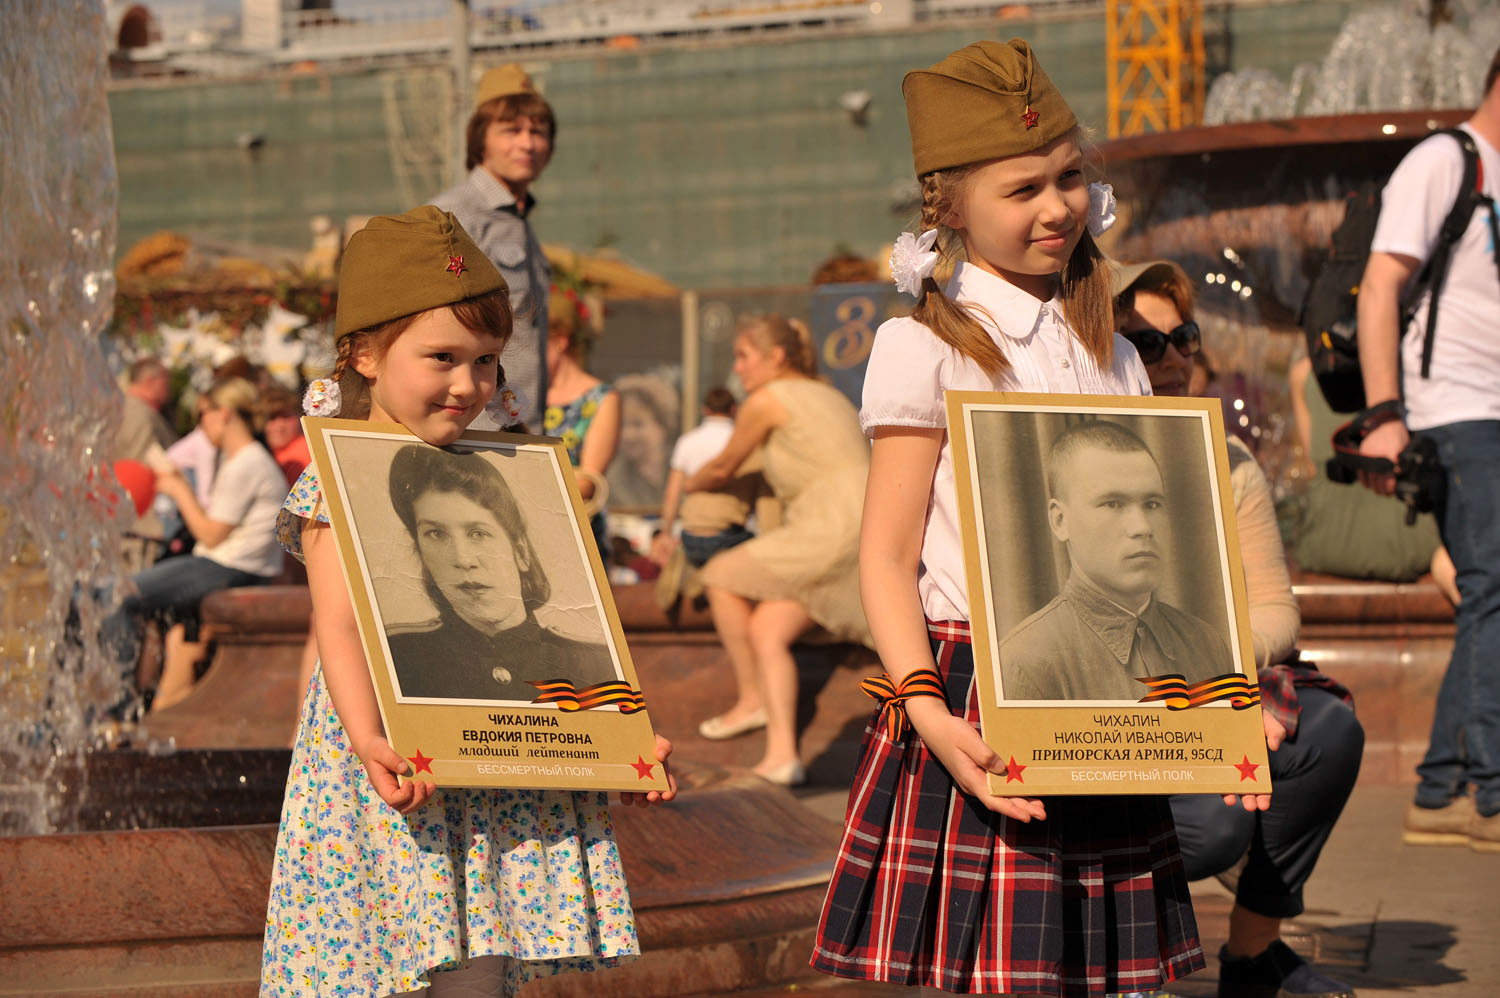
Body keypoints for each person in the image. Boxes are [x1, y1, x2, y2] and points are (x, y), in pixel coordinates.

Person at [811, 40, 1279, 996]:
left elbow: (1173, 557)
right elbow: (886, 555)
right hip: (973, 690)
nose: (1057, 206)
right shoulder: (920, 344)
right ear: (948, 207)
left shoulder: (1119, 355)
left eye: (1069, 177)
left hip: (1116, 691)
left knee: (1114, 979)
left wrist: (1225, 709)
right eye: (1023, 188)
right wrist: (928, 715)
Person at [260, 206, 675, 998]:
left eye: (487, 362)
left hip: (496, 763)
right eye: (443, 357)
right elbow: (338, 624)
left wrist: (623, 740)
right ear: (366, 355)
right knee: (380, 953)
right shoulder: (336, 475)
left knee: (481, 958)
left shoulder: (520, 470)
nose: (468, 384)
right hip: (385, 750)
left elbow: (577, 635)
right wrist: (367, 737)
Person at [1116, 257, 1362, 998]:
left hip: (1210, 689)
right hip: (1105, 708)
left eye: (1184, 336)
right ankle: (1121, 965)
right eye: (1146, 342)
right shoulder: (1056, 452)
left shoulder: (1228, 459)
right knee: (1214, 826)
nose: (1175, 356)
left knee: (1327, 731)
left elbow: (1276, 609)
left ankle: (1253, 959)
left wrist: (1223, 681)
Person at [1356, 46, 1500, 854]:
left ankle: (1440, 788)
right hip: (1455, 411)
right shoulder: (1445, 161)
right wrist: (1385, 415)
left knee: (1490, 592)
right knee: (1495, 586)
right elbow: (1381, 287)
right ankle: (1491, 793)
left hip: (1494, 411)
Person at [686, 315, 871, 786]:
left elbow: (724, 466)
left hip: (827, 527)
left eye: (744, 355)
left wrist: (689, 483)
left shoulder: (766, 401)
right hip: (868, 530)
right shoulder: (831, 395)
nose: (738, 367)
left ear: (777, 357)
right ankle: (783, 754)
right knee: (768, 629)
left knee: (720, 573)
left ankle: (751, 700)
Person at [998, 419, 1236, 701]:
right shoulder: (1026, 662)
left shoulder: (1207, 645)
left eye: (1152, 504)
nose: (1142, 527)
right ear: (1060, 521)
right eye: (1113, 504)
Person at [384, 443, 618, 702]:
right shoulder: (400, 659)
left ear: (520, 551)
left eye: (478, 534)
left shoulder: (593, 664)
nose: (463, 559)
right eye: (436, 534)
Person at [130, 376, 287, 711]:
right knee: (167, 626)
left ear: (225, 413)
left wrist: (178, 490)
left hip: (229, 567)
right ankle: (152, 706)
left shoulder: (248, 462)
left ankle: (113, 707)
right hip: (227, 564)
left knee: (122, 594)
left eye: (203, 414)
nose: (200, 425)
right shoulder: (237, 460)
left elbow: (212, 534)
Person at [431, 64, 555, 429]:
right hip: (469, 424)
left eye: (538, 132)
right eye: (511, 130)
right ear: (480, 138)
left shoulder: (519, 223)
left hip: (516, 424)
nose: (527, 143)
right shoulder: (454, 215)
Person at [540, 287, 619, 556]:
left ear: (560, 340)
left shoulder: (600, 398)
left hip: (576, 537)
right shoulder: (521, 395)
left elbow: (587, 482)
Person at [652, 386, 761, 568]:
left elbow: (673, 492)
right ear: (734, 409)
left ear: (705, 409)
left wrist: (666, 532)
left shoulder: (687, 441)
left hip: (691, 535)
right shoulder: (740, 442)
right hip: (729, 535)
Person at [608, 372, 678, 508]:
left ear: (662, 426)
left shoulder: (680, 467)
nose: (628, 435)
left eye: (637, 424)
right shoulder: (615, 480)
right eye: (622, 424)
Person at [258, 383, 312, 487]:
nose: (280, 425)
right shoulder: (267, 453)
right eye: (272, 418)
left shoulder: (306, 451)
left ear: (299, 416)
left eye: (286, 417)